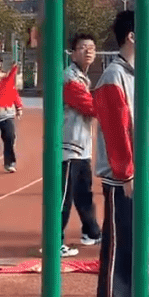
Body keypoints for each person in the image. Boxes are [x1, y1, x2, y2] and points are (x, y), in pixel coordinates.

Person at [94, 9, 149, 297]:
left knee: (142, 245)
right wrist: (126, 174)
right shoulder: (113, 77)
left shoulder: (144, 76)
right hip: (125, 180)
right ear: (132, 37)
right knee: (121, 249)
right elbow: (116, 130)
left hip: (148, 175)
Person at [59, 32, 102, 257]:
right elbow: (90, 107)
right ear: (73, 52)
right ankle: (55, 239)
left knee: (84, 192)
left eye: (92, 47)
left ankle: (91, 231)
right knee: (64, 196)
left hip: (81, 145)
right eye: (83, 47)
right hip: (68, 146)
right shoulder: (70, 78)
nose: (89, 51)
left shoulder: (83, 77)